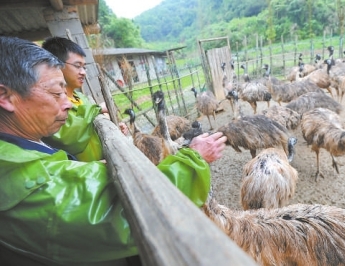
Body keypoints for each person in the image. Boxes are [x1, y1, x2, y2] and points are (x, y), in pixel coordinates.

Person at [0, 36, 227, 265]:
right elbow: (130, 215)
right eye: (56, 93)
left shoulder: (22, 148)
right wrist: (193, 159)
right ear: (6, 97)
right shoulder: (20, 180)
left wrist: (89, 168)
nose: (67, 102)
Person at [41, 36, 128, 162]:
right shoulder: (50, 102)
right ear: (56, 65)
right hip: (82, 175)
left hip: (102, 167)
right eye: (77, 66)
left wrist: (113, 128)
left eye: (84, 67)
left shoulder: (81, 97)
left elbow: (89, 129)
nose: (83, 72)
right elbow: (68, 138)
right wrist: (97, 109)